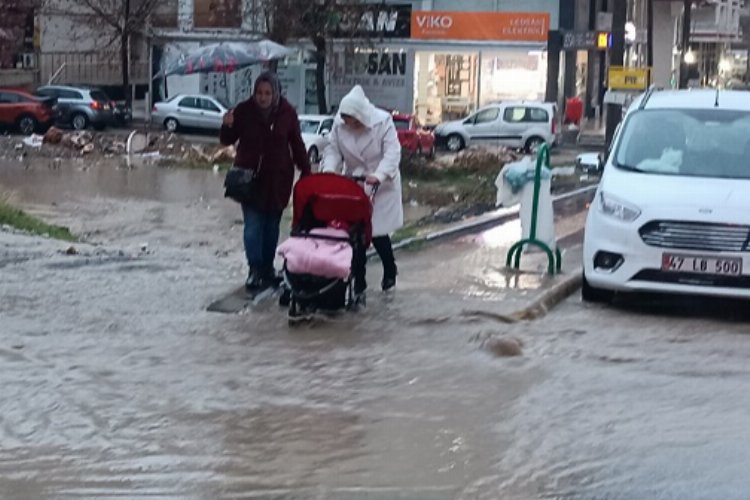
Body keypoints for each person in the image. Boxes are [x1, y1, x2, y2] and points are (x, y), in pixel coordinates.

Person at [220, 71, 311, 291]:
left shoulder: (287, 113)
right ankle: (254, 270)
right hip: (250, 181)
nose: (263, 97)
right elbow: (226, 140)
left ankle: (268, 269)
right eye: (259, 93)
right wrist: (228, 124)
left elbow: (297, 143)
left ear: (275, 92)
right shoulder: (244, 111)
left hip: (278, 180)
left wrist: (306, 171)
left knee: (271, 228)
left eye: (267, 93)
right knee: (252, 226)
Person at [320, 85, 403, 296]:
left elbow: (393, 152)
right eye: (346, 119)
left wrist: (380, 174)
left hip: (380, 183)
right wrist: (330, 170)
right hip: (354, 182)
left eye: (353, 120)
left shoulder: (382, 121)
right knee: (355, 233)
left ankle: (390, 270)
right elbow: (333, 150)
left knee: (377, 231)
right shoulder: (339, 126)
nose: (349, 123)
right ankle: (359, 281)